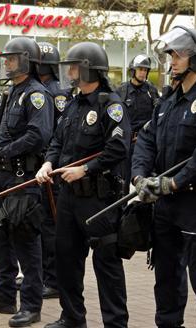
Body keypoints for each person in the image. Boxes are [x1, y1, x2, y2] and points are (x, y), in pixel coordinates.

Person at [132, 26, 196, 328]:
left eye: (179, 54)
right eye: (171, 54)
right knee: (166, 280)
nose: (172, 60)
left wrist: (174, 182)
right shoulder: (166, 101)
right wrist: (140, 178)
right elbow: (147, 141)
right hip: (165, 208)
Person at [36, 42, 130, 328]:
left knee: (106, 263)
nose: (70, 72)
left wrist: (85, 169)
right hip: (68, 197)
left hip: (98, 199)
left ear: (90, 68)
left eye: (75, 66)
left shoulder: (111, 105)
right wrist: (48, 163)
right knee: (66, 258)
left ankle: (115, 323)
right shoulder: (72, 103)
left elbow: (118, 148)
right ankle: (72, 317)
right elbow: (57, 141)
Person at [0, 37, 53, 328]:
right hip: (3, 175)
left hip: (23, 179)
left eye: (11, 58)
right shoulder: (10, 92)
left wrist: (0, 151)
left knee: (26, 242)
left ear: (27, 61)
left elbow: (37, 136)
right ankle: (5, 295)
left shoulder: (36, 95)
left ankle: (31, 305)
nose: (5, 62)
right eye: (5, 58)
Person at [36, 41, 72, 300]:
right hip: (38, 166)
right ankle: (39, 273)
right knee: (37, 224)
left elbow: (56, 132)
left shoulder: (56, 92)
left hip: (51, 168)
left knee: (51, 226)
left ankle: (53, 279)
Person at [116, 54, 159, 192]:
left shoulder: (151, 91)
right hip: (125, 144)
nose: (143, 72)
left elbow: (158, 117)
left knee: (147, 182)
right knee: (122, 184)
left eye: (145, 70)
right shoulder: (121, 91)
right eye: (140, 69)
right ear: (133, 70)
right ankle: (121, 212)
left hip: (145, 143)